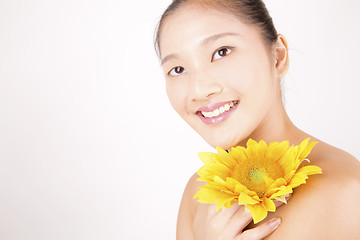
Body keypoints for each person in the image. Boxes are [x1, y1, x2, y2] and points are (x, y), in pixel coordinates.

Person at [154, 0, 360, 239]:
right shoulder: (198, 192)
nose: (199, 89)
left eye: (222, 52)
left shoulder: (341, 192)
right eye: (178, 69)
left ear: (278, 56)